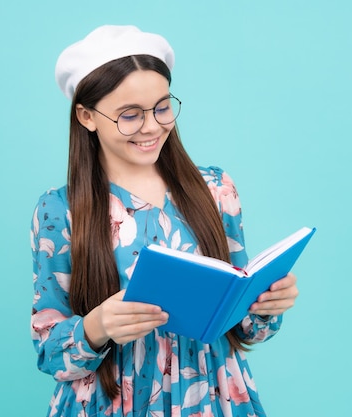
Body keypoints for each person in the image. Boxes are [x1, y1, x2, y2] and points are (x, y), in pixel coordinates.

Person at [30, 25, 299, 417]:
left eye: (161, 107)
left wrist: (265, 304)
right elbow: (49, 352)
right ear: (87, 116)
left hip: (212, 397)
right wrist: (97, 325)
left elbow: (244, 328)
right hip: (111, 402)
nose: (152, 126)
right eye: (129, 115)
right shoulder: (60, 211)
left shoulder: (215, 189)